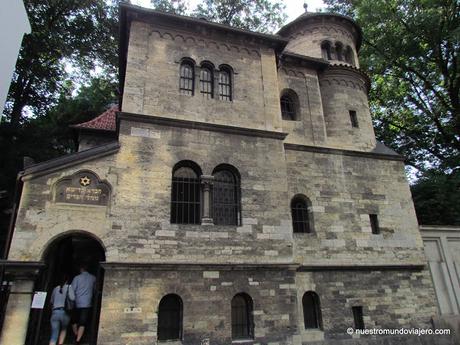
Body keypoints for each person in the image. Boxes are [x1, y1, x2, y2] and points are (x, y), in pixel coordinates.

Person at [71, 264, 96, 345]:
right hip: (87, 303)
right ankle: (78, 340)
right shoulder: (93, 278)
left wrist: (72, 300)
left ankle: (75, 334)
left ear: (81, 269)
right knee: (83, 322)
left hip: (76, 302)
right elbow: (95, 289)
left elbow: (72, 290)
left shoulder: (77, 278)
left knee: (74, 320)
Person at [49, 275, 75, 345]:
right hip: (64, 312)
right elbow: (72, 298)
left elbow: (51, 301)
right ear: (67, 281)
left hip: (55, 312)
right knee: (63, 329)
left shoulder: (55, 289)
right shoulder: (69, 287)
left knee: (54, 334)